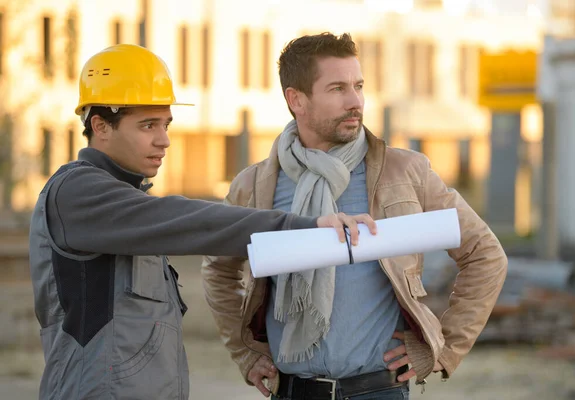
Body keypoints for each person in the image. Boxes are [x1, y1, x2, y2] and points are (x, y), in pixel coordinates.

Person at [28, 43, 377, 400]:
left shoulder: (125, 202)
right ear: (100, 125)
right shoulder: (77, 193)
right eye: (147, 125)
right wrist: (301, 227)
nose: (163, 140)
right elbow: (189, 221)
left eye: (165, 124)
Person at [202, 32, 508, 400]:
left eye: (358, 86)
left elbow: (485, 254)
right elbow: (219, 268)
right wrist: (246, 353)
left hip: (379, 390)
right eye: (337, 89)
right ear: (295, 99)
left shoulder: (406, 172)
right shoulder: (254, 186)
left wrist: (444, 348)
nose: (355, 101)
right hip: (294, 391)